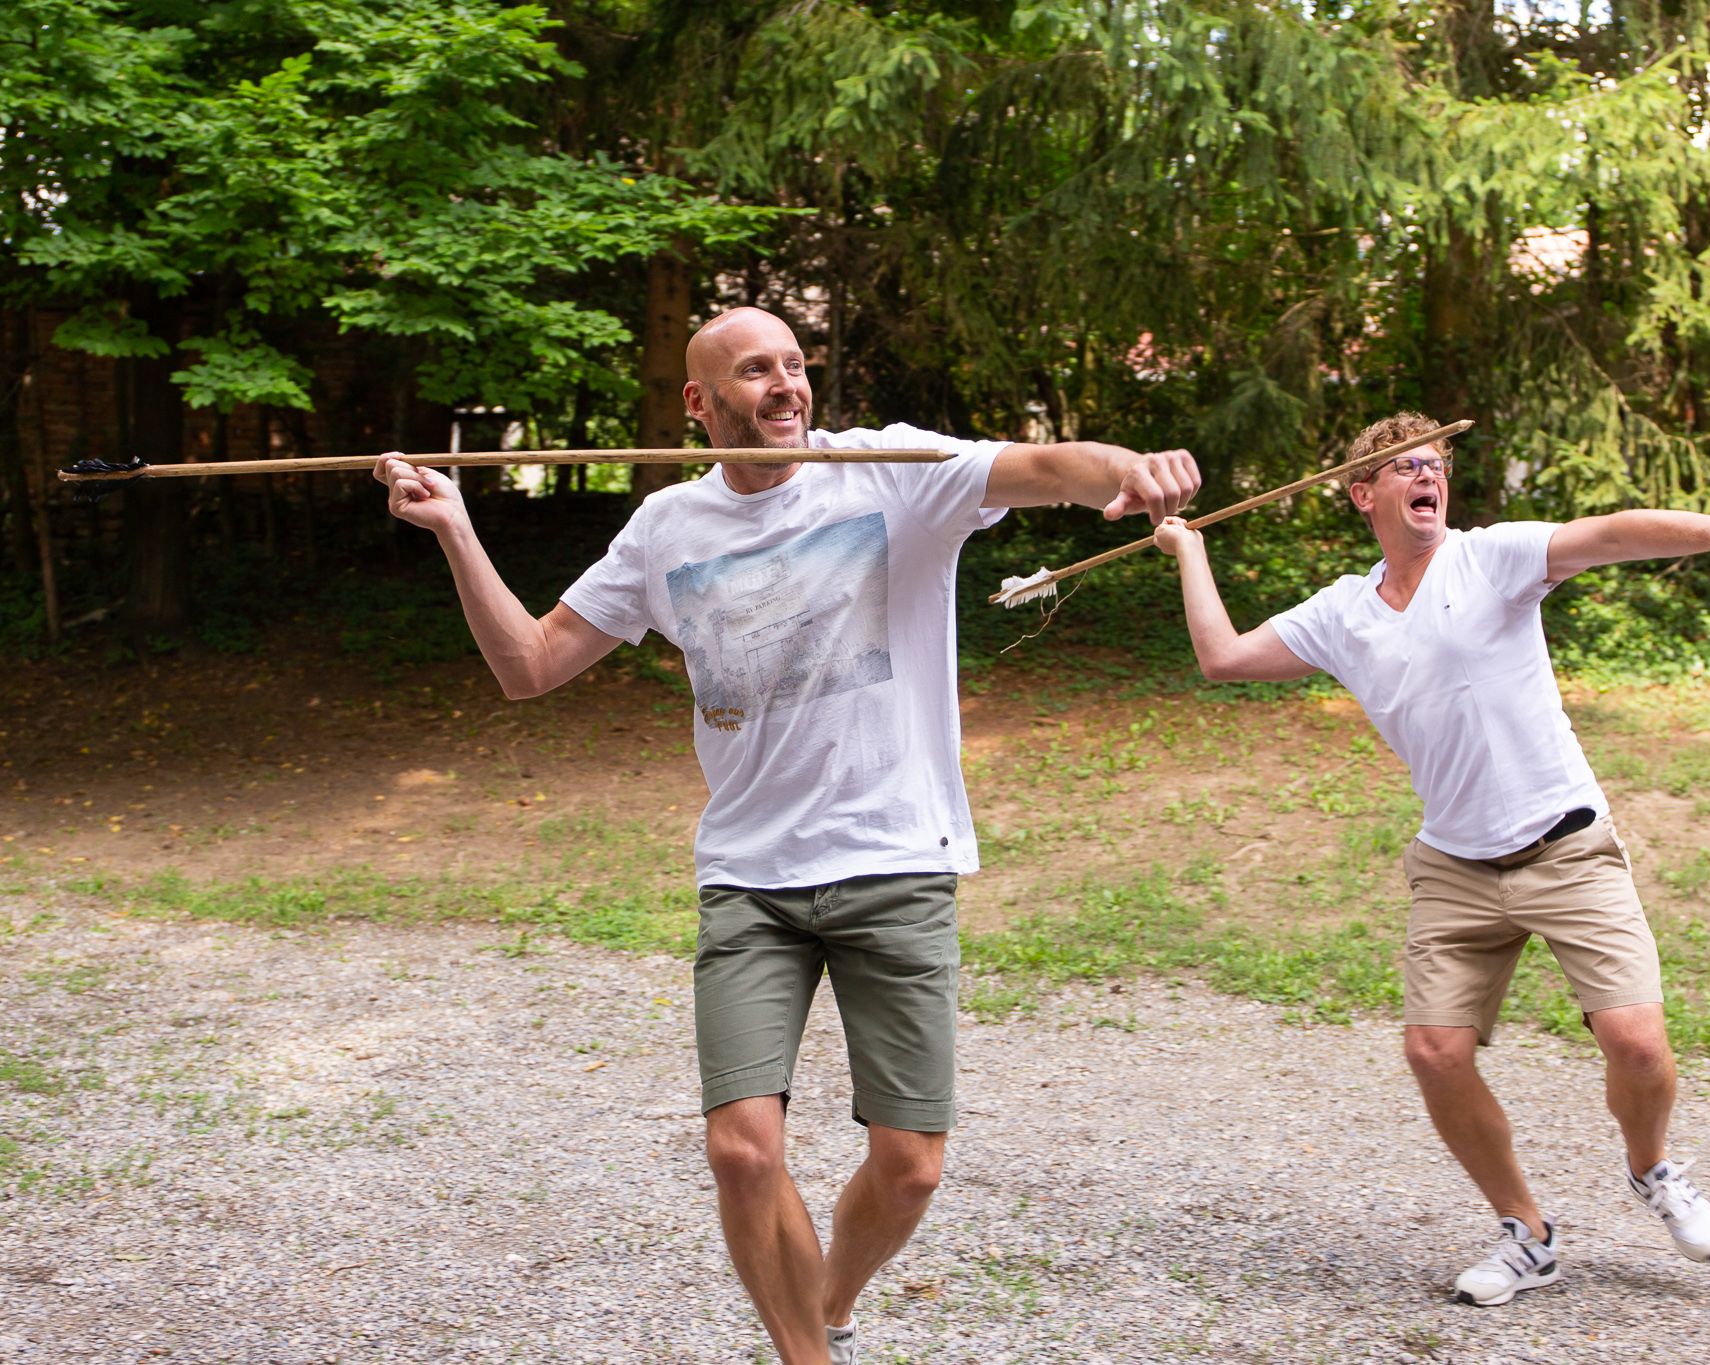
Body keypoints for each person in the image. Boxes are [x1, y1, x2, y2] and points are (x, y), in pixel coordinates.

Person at [375, 306, 1199, 1363]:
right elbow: (527, 666)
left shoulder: (888, 470)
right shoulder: (666, 528)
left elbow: (1046, 464)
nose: (784, 386)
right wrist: (456, 527)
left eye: (795, 366)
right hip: (750, 877)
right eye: (755, 370)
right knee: (741, 1152)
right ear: (698, 401)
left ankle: (829, 1307)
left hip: (894, 857)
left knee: (910, 1167)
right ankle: (806, 1357)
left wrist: (1122, 469)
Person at [1151, 411, 1710, 1306]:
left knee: (1637, 1043)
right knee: (1435, 1052)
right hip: (1456, 867)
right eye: (1406, 468)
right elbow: (1223, 656)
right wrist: (1188, 549)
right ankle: (1528, 1232)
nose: (1429, 476)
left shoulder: (1492, 557)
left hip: (1566, 845)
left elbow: (1612, 533)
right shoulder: (1343, 614)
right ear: (1366, 494)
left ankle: (1653, 1169)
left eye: (1437, 464)